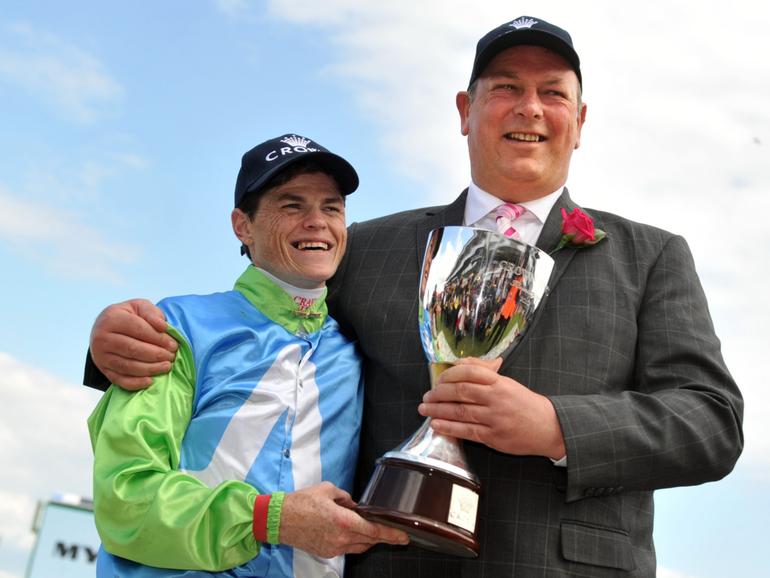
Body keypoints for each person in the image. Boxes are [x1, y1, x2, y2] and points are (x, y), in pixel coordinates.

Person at [84, 17, 744, 578]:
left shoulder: (650, 256)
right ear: (466, 110)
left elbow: (711, 423)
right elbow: (263, 323)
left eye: (552, 92)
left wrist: (555, 426)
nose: (529, 108)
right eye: (506, 88)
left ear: (580, 120)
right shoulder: (365, 247)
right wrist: (120, 338)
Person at [87, 133, 408, 578]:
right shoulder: (177, 327)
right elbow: (124, 498)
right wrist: (269, 518)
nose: (316, 221)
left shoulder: (358, 349)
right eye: (292, 205)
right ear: (243, 225)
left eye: (331, 207)